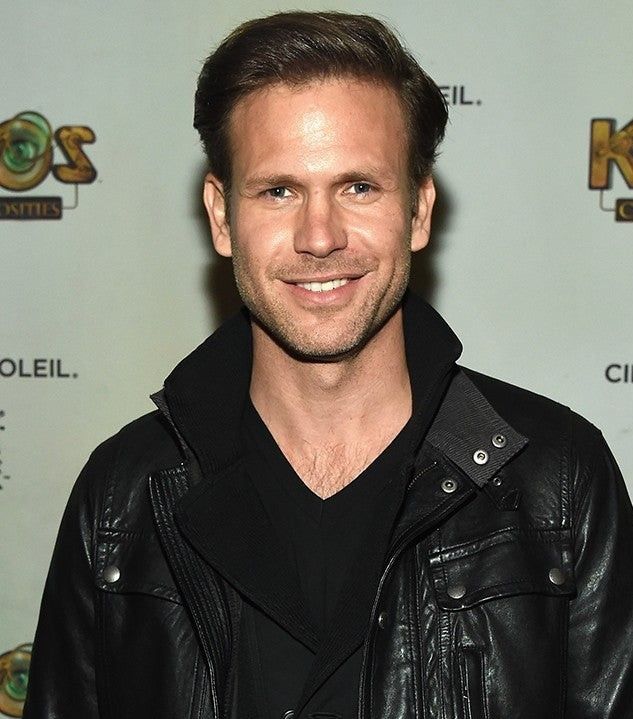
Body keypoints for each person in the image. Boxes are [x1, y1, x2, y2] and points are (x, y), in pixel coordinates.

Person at [24, 11, 633, 719]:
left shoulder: (555, 479)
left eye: (358, 187)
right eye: (278, 190)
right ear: (221, 217)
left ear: (418, 210)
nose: (320, 237)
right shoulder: (122, 499)